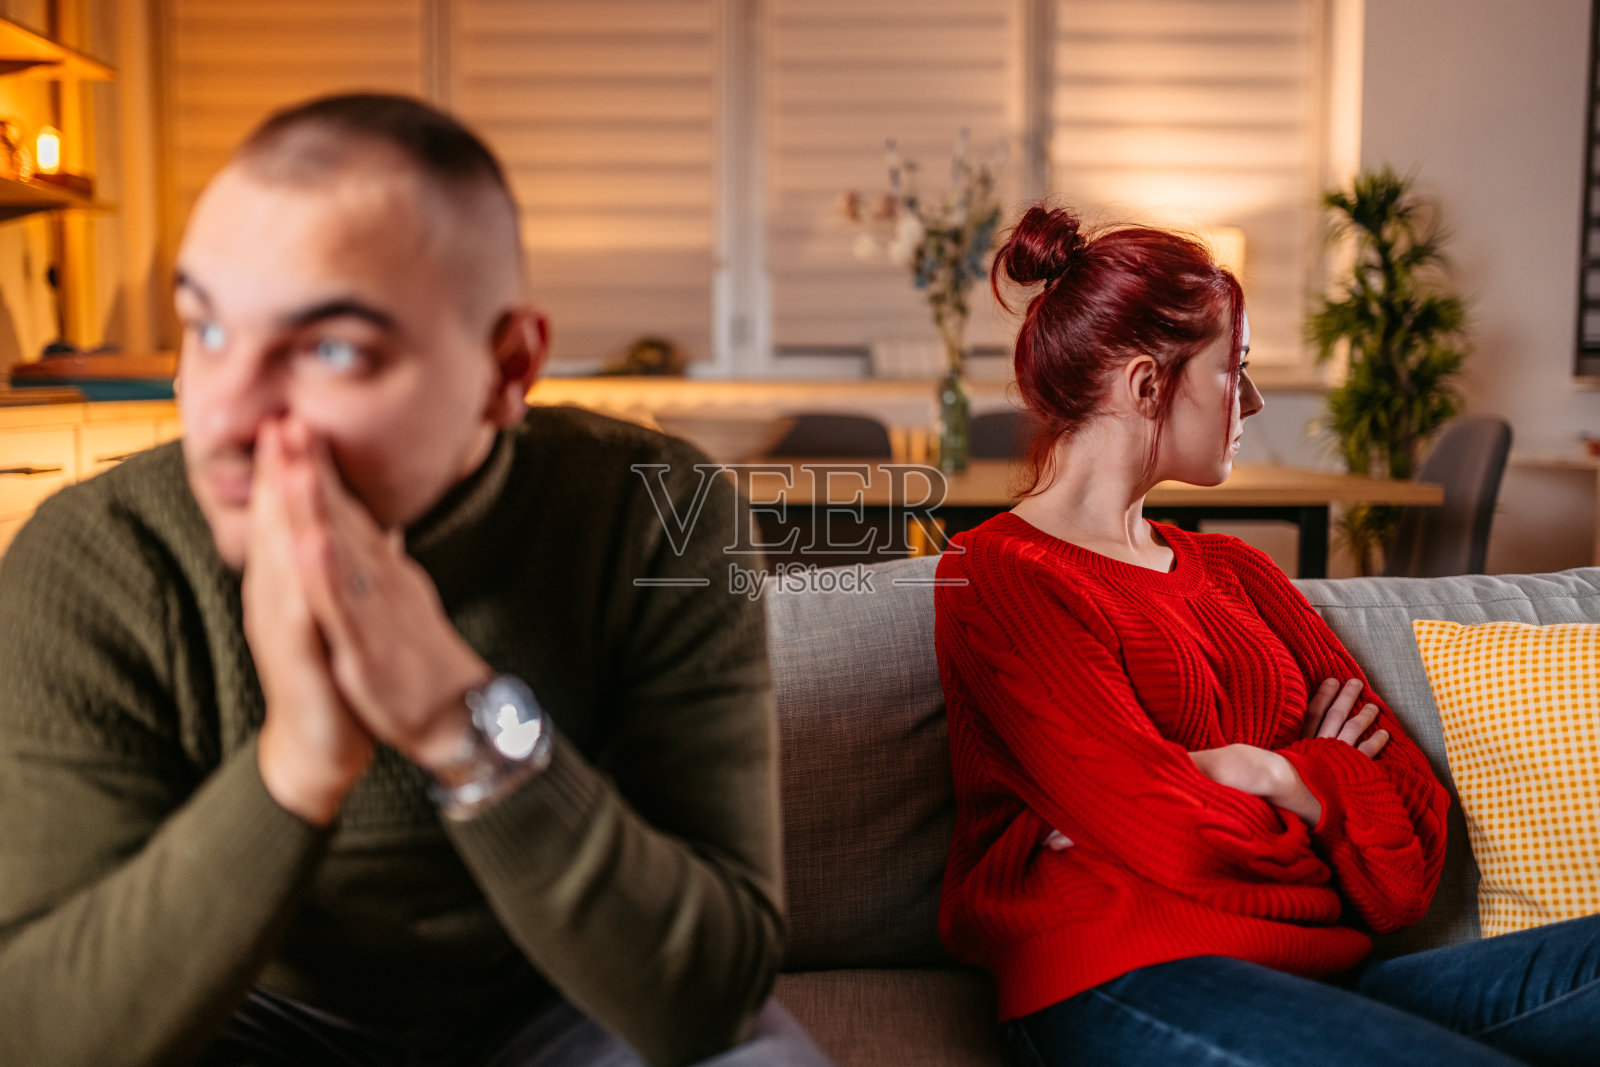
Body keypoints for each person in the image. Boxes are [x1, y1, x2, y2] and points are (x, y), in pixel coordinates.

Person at [0, 93, 832, 1067]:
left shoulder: (660, 513)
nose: (223, 416)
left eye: (330, 349)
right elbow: (38, 1030)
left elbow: (712, 994)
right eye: (208, 327)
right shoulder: (96, 556)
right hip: (243, 1008)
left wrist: (458, 720)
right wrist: (297, 765)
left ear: (506, 367)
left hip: (564, 1000)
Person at [934, 205, 1600, 1066]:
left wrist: (1276, 772)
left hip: (1316, 975)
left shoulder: (1241, 573)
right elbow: (1170, 831)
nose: (1249, 400)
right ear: (1146, 385)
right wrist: (1310, 791)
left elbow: (1409, 864)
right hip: (1123, 972)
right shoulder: (996, 574)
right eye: (1235, 369)